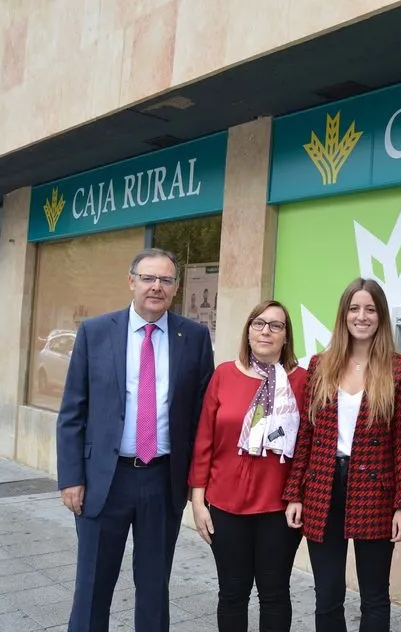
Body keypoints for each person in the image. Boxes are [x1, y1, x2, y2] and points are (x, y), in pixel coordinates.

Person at [56, 248, 215, 632]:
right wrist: (71, 478)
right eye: (148, 278)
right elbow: (73, 411)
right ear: (131, 281)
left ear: (175, 288)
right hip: (102, 481)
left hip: (163, 480)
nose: (156, 287)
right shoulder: (95, 332)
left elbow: (201, 417)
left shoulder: (193, 337)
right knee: (92, 584)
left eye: (165, 280)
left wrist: (198, 486)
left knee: (154, 588)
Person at [283, 278, 401, 632]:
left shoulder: (400, 368)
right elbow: (306, 435)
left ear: (381, 316)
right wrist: (295, 492)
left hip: (375, 491)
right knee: (327, 593)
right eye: (354, 309)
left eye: (370, 309)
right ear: (343, 315)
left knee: (374, 595)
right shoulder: (320, 365)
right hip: (322, 486)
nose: (362, 316)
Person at [189, 300, 307, 631]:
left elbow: (309, 448)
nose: (266, 331)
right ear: (248, 330)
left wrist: (300, 495)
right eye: (259, 323)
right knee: (232, 593)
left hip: (279, 508)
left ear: (286, 336)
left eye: (275, 325)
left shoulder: (303, 381)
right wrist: (198, 500)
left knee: (274, 595)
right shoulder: (224, 374)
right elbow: (204, 441)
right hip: (225, 505)